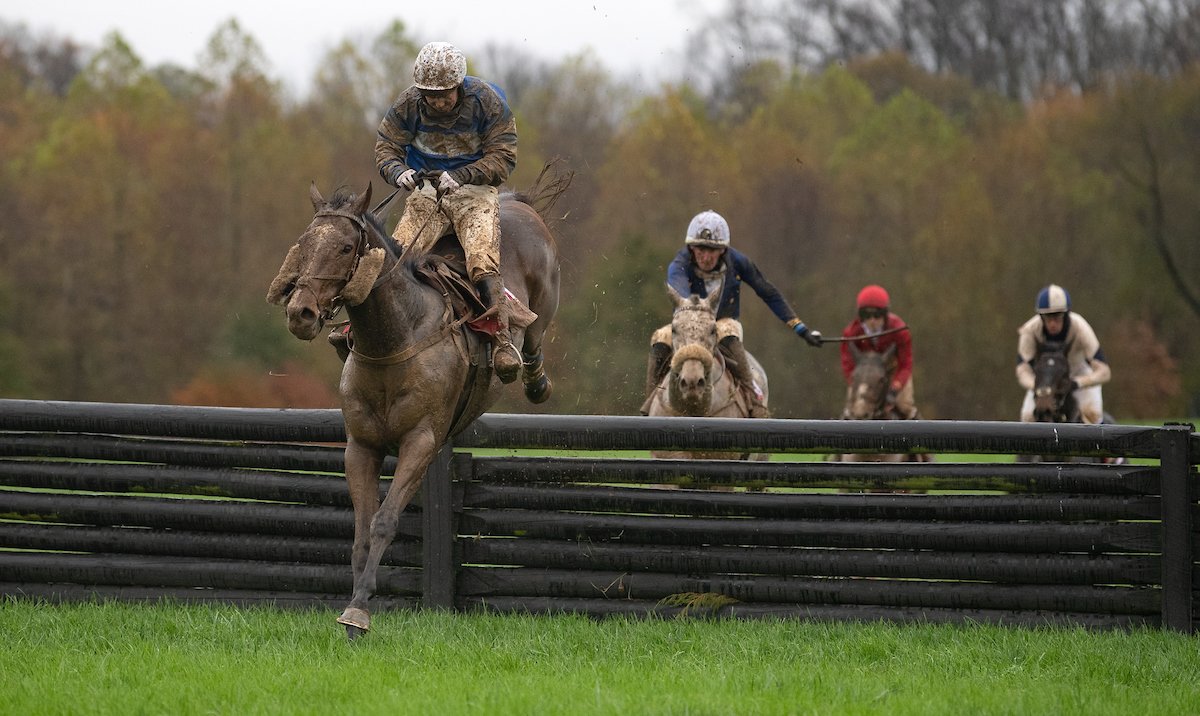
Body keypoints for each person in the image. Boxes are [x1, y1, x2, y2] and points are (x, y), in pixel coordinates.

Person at [372, 41, 522, 382]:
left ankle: (501, 337)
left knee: (481, 256)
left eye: (444, 95)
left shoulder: (486, 101)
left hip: (475, 191)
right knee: (396, 254)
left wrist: (464, 176)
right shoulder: (408, 104)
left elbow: (504, 156)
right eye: (430, 95)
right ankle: (361, 325)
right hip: (426, 191)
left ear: (459, 86)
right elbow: (386, 146)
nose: (438, 102)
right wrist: (398, 172)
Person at [642, 210, 823, 418]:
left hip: (723, 321)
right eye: (701, 249)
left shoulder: (738, 262)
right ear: (691, 248)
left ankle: (754, 401)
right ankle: (650, 402)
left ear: (723, 250)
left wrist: (801, 329)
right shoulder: (679, 264)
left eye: (713, 250)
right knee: (661, 336)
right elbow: (680, 293)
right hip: (689, 323)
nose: (706, 257)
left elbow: (767, 292)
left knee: (727, 331)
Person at [1016, 283, 1110, 424]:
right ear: (1041, 317)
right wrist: (1037, 386)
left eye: (1057, 316)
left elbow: (1104, 371)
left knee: (1093, 416)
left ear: (1066, 314)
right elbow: (1022, 370)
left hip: (1077, 373)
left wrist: (1077, 383)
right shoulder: (1030, 330)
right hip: (1043, 381)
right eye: (1048, 317)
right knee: (1028, 417)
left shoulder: (1080, 327)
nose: (1053, 323)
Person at [839, 285, 920, 419]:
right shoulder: (850, 334)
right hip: (863, 377)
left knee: (905, 405)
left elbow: (906, 364)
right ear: (860, 315)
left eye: (877, 315)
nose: (872, 321)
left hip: (894, 373)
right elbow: (847, 364)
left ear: (885, 314)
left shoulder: (900, 331)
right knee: (852, 408)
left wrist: (895, 388)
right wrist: (855, 383)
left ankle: (922, 435)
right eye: (867, 315)